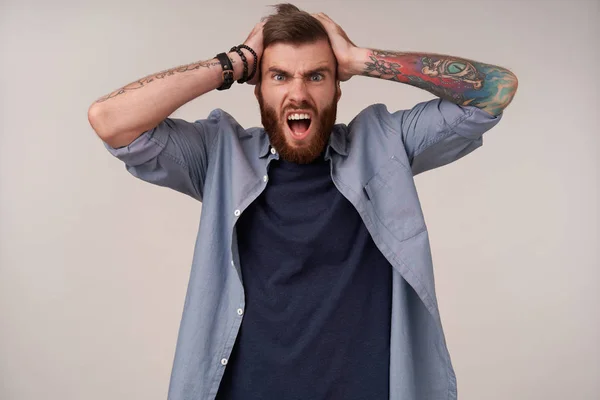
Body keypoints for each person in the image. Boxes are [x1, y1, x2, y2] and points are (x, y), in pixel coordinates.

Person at [88, 3, 518, 400]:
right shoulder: (219, 156)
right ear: (257, 89)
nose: (298, 94)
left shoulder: (387, 145)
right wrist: (232, 63)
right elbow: (110, 121)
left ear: (337, 88)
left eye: (316, 75)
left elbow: (494, 91)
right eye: (280, 76)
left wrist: (361, 58)